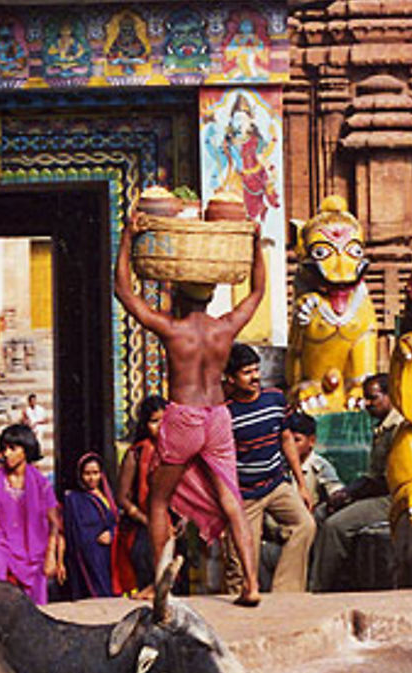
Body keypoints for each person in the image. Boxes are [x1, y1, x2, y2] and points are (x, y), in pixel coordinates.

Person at [114, 212, 265, 604]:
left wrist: (128, 238)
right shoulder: (226, 328)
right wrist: (256, 245)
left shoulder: (172, 329)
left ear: (179, 295)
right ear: (211, 295)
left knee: (158, 501)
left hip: (183, 417)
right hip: (218, 417)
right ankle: (251, 584)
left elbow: (124, 293)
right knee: (232, 501)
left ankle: (158, 583)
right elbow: (257, 294)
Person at [223, 343, 315, 594]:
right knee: (240, 563)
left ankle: (285, 594)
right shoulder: (224, 413)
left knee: (305, 525)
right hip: (245, 496)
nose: (255, 377)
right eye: (246, 372)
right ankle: (236, 618)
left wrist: (301, 485)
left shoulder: (274, 399)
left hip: (276, 485)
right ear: (230, 378)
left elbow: (286, 439)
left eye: (256, 370)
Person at [309, 373, 404, 593]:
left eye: (373, 398)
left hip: (392, 498)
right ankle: (319, 575)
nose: (368, 404)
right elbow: (372, 475)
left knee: (336, 526)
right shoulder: (382, 427)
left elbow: (383, 481)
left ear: (390, 396)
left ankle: (322, 588)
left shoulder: (399, 427)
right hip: (376, 491)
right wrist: (346, 493)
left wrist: (350, 495)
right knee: (321, 513)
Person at [0, 424, 63, 604]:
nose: (6, 453)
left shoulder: (41, 483)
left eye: (12, 448)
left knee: (33, 608)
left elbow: (54, 522)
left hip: (33, 551)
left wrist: (52, 556)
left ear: (26, 451)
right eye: (4, 448)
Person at [114, 394, 167, 595]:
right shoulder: (135, 454)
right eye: (154, 421)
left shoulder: (177, 452)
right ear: (145, 424)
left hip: (171, 530)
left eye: (164, 420)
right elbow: (122, 498)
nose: (160, 427)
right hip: (143, 531)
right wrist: (146, 520)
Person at [63, 453, 119, 599]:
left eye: (95, 473)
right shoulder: (74, 499)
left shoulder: (107, 495)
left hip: (109, 554)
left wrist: (112, 534)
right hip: (90, 556)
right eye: (87, 473)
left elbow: (116, 521)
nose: (91, 478)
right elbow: (74, 532)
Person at [288, 411, 345, 513]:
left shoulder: (319, 466)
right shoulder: (280, 466)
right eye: (288, 441)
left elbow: (336, 491)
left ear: (311, 441)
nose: (291, 446)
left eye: (296, 440)